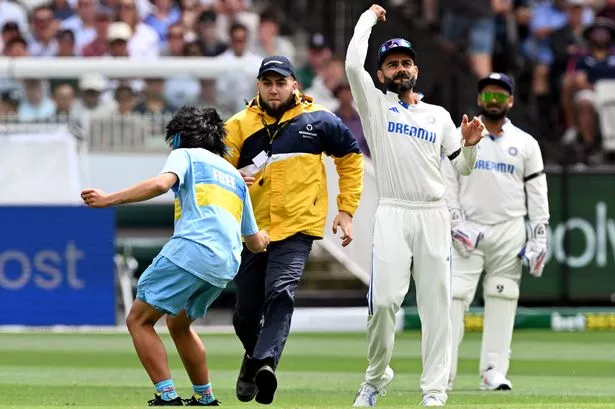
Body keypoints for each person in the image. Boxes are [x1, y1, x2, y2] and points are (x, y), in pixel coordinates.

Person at [81, 105, 270, 407]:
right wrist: (272, 236)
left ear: (180, 136)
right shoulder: (235, 178)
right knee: (179, 325)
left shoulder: (186, 154)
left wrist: (108, 199)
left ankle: (167, 397)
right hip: (224, 266)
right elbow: (256, 241)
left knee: (138, 320)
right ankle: (205, 397)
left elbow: (160, 184)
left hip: (193, 249)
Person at [345, 4, 486, 407]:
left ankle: (434, 390)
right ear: (381, 75)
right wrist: (368, 18)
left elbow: (464, 166)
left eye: (406, 63)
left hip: (433, 215)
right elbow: (353, 64)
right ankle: (374, 378)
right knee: (384, 302)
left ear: (416, 71)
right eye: (392, 65)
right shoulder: (374, 105)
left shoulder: (439, 116)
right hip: (393, 210)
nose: (400, 69)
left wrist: (472, 146)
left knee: (436, 306)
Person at [224, 55, 364, 405]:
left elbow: (350, 157)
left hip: (298, 226)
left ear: (294, 85)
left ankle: (266, 363)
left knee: (281, 293)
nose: (274, 89)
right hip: (251, 229)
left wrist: (346, 210)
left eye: (281, 82)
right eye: (268, 83)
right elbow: (217, 171)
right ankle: (253, 362)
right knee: (244, 315)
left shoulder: (318, 121)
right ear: (258, 85)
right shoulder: (238, 125)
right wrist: (231, 179)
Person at [442, 73, 550, 392]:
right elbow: (448, 182)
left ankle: (493, 370)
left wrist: (539, 236)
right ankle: (442, 373)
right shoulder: (461, 135)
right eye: (488, 95)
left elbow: (538, 194)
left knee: (503, 296)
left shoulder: (526, 144)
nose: (493, 101)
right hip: (468, 231)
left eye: (500, 96)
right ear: (479, 100)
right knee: (454, 297)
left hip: (509, 231)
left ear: (511, 102)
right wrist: (454, 220)